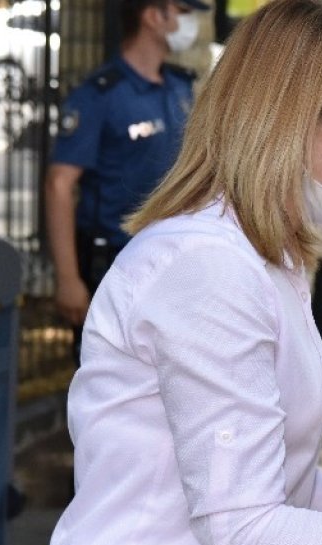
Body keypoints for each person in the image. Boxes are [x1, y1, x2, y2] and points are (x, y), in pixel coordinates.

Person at [23, 3, 322, 545]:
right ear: (295, 119)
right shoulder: (206, 266)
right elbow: (246, 535)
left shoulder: (262, 261)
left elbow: (279, 480)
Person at [44, 0, 209, 354]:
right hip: (115, 267)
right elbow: (59, 184)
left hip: (176, 265)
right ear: (153, 16)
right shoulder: (101, 94)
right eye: (182, 12)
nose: (189, 22)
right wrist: (68, 278)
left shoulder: (179, 87)